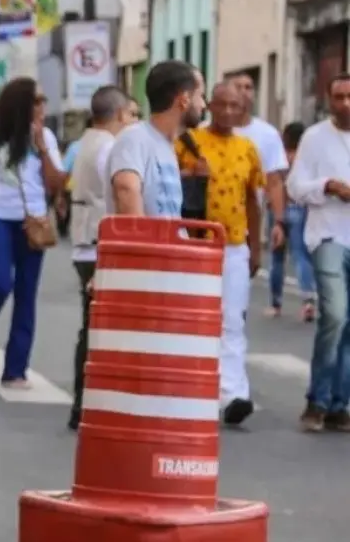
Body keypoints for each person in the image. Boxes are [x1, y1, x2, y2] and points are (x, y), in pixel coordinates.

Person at [0, 77, 65, 388]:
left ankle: (15, 369)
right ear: (21, 105)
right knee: (0, 284)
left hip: (32, 223)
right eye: (37, 101)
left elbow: (56, 184)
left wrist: (43, 149)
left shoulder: (44, 136)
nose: (43, 107)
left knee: (26, 293)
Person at [175, 81, 264, 427]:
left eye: (235, 107)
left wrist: (254, 247)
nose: (228, 112)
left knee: (232, 321)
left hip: (234, 246)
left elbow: (253, 202)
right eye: (222, 104)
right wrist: (190, 174)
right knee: (195, 321)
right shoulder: (189, 144)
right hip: (195, 244)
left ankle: (233, 394)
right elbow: (167, 187)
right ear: (209, 105)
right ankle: (192, 391)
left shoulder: (247, 148)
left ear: (243, 111)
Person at [67, 86, 136, 431]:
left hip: (85, 240)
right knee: (99, 328)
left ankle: (83, 403)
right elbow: (120, 193)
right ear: (121, 114)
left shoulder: (85, 143)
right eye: (132, 115)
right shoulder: (109, 147)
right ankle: (88, 403)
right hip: (99, 242)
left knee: (91, 325)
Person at [286, 72, 350, 433]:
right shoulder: (315, 138)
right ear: (329, 100)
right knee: (336, 315)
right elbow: (295, 187)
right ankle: (317, 399)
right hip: (328, 236)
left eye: (349, 96)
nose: (344, 104)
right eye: (338, 97)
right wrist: (326, 186)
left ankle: (340, 405)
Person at [108, 60, 203, 218]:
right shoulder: (135, 137)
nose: (203, 104)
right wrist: (143, 241)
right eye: (200, 96)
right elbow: (126, 189)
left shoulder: (166, 146)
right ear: (184, 99)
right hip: (146, 242)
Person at [227, 71, 289, 266]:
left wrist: (279, 222)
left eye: (249, 87)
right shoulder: (204, 131)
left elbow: (275, 181)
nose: (244, 92)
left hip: (247, 226)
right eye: (238, 86)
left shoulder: (267, 134)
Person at [268, 122, 316, 320]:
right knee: (301, 254)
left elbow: (272, 183)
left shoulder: (280, 158)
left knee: (277, 258)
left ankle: (276, 304)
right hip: (300, 208)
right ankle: (307, 300)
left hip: (279, 208)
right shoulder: (306, 159)